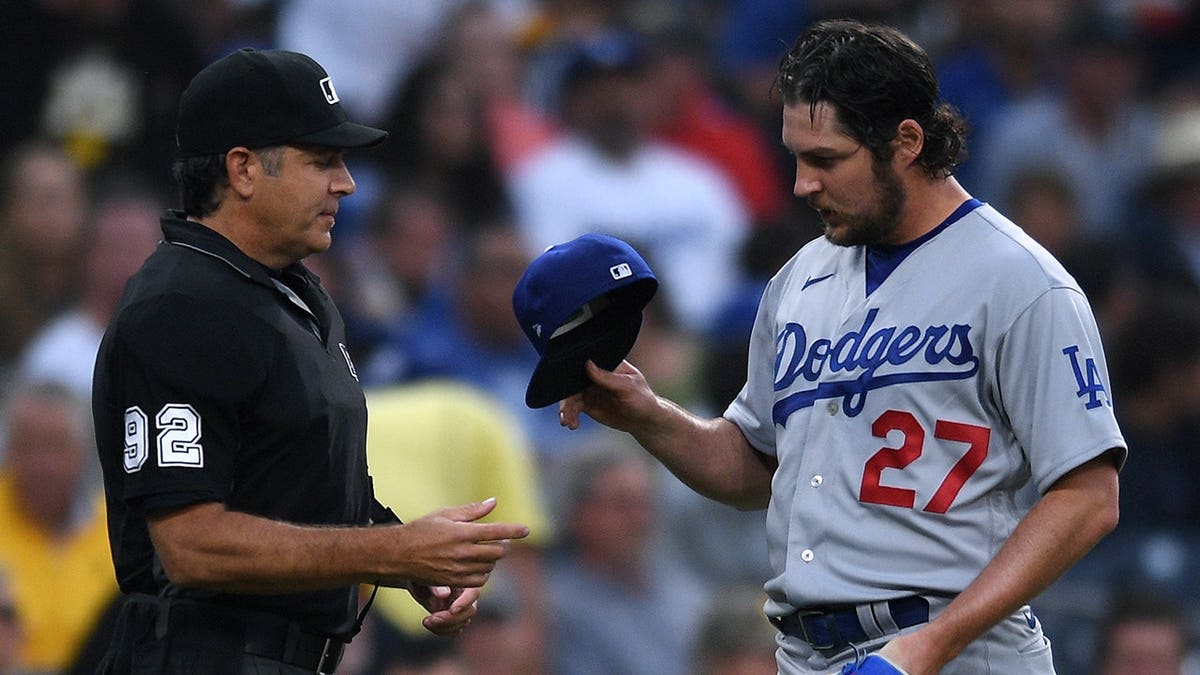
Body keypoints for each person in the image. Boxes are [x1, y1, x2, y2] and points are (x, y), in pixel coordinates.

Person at [557, 19, 1124, 675]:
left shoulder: (1021, 281)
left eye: (826, 159)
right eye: (797, 156)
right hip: (807, 652)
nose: (802, 184)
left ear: (907, 141)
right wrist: (648, 414)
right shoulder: (799, 280)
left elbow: (1088, 496)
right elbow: (757, 469)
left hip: (954, 649)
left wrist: (931, 644)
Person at [90, 47, 529, 675]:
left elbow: (298, 481)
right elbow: (191, 546)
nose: (345, 182)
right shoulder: (181, 306)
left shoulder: (292, 293)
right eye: (321, 160)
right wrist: (394, 550)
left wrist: (412, 558)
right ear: (242, 170)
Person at [0, 380, 117, 673]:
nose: (41, 463)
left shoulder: (114, 530)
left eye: (55, 445)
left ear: (83, 452)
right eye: (26, 445)